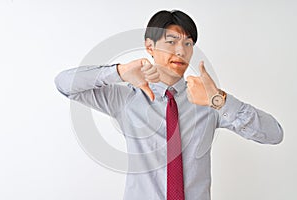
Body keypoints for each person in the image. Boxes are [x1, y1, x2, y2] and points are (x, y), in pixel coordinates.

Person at [54, 10, 283, 200]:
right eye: (171, 42)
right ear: (150, 46)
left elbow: (274, 134)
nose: (181, 51)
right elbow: (64, 84)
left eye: (188, 43)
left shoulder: (208, 100)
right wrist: (120, 72)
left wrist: (219, 100)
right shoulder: (126, 99)